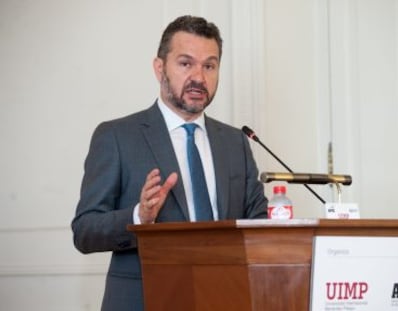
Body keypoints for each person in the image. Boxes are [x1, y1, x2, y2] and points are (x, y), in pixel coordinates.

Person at [72, 15, 268, 311]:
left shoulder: (235, 142)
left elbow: (258, 224)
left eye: (209, 66)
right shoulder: (116, 136)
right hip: (146, 300)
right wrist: (140, 217)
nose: (199, 78)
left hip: (227, 298)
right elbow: (85, 231)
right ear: (159, 68)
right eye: (186, 63)